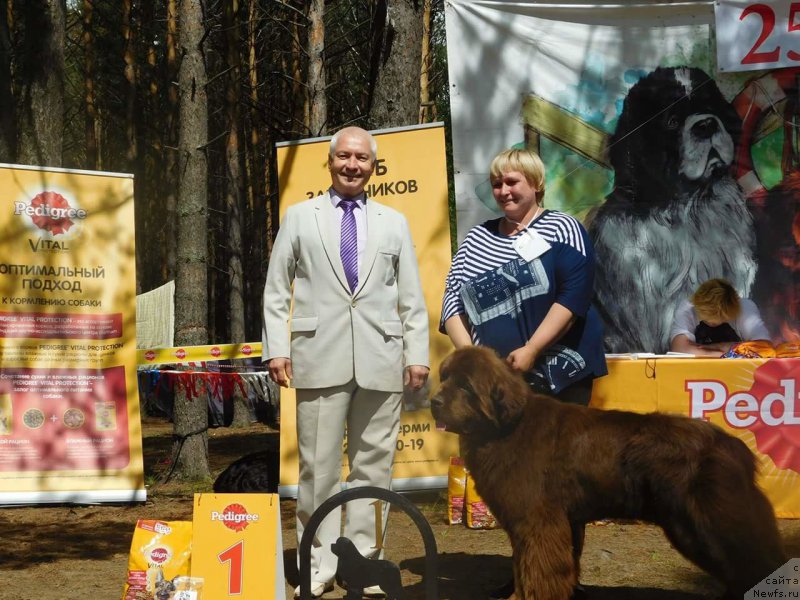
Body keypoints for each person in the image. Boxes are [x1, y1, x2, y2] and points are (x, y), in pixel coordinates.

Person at [262, 126, 430, 599]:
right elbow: (277, 291)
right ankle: (316, 565)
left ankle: (362, 564)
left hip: (383, 358)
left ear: (373, 166)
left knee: (374, 468)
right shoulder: (299, 217)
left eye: (361, 158)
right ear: (330, 162)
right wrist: (277, 348)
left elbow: (412, 299)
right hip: (317, 358)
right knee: (318, 470)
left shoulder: (395, 222)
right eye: (343, 157)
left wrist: (417, 354)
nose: (352, 165)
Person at [440, 148, 607, 599]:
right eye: (497, 184)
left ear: (536, 185)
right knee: (516, 489)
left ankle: (561, 581)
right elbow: (451, 304)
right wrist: (478, 362)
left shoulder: (563, 228)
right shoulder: (476, 240)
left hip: (561, 374)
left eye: (513, 182)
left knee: (560, 486)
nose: (504, 191)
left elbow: (576, 294)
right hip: (501, 389)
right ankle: (529, 576)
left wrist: (533, 349)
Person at [669, 278, 770, 357]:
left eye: (720, 317)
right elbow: (679, 349)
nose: (712, 323)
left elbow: (764, 347)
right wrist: (735, 350)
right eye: (707, 317)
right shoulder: (688, 307)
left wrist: (707, 348)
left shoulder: (744, 307)